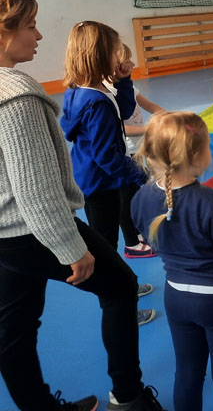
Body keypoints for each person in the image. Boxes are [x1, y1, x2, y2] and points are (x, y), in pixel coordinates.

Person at [0, 0, 166, 411]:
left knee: (14, 327)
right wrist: (68, 246)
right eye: (31, 26)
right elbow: (34, 188)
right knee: (120, 286)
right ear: (3, 33)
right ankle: (128, 397)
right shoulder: (16, 96)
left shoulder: (56, 92)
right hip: (29, 228)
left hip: (7, 232)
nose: (39, 35)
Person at [131, 112, 213, 411]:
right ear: (198, 155)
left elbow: (156, 237)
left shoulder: (141, 198)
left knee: (187, 372)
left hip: (176, 296)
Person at [59, 21, 155, 326]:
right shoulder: (96, 102)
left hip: (95, 180)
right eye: (115, 52)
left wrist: (124, 81)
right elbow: (107, 157)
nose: (120, 57)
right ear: (99, 55)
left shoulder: (83, 90)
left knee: (106, 247)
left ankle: (124, 286)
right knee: (105, 247)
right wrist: (140, 175)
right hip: (100, 186)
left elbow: (123, 113)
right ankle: (119, 305)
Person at [106, 43, 166, 259]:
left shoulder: (128, 88)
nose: (131, 65)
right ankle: (131, 243)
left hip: (138, 150)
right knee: (126, 198)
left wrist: (166, 116)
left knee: (136, 194)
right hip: (126, 152)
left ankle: (138, 233)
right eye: (126, 61)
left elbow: (150, 106)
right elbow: (120, 128)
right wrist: (148, 128)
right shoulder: (108, 94)